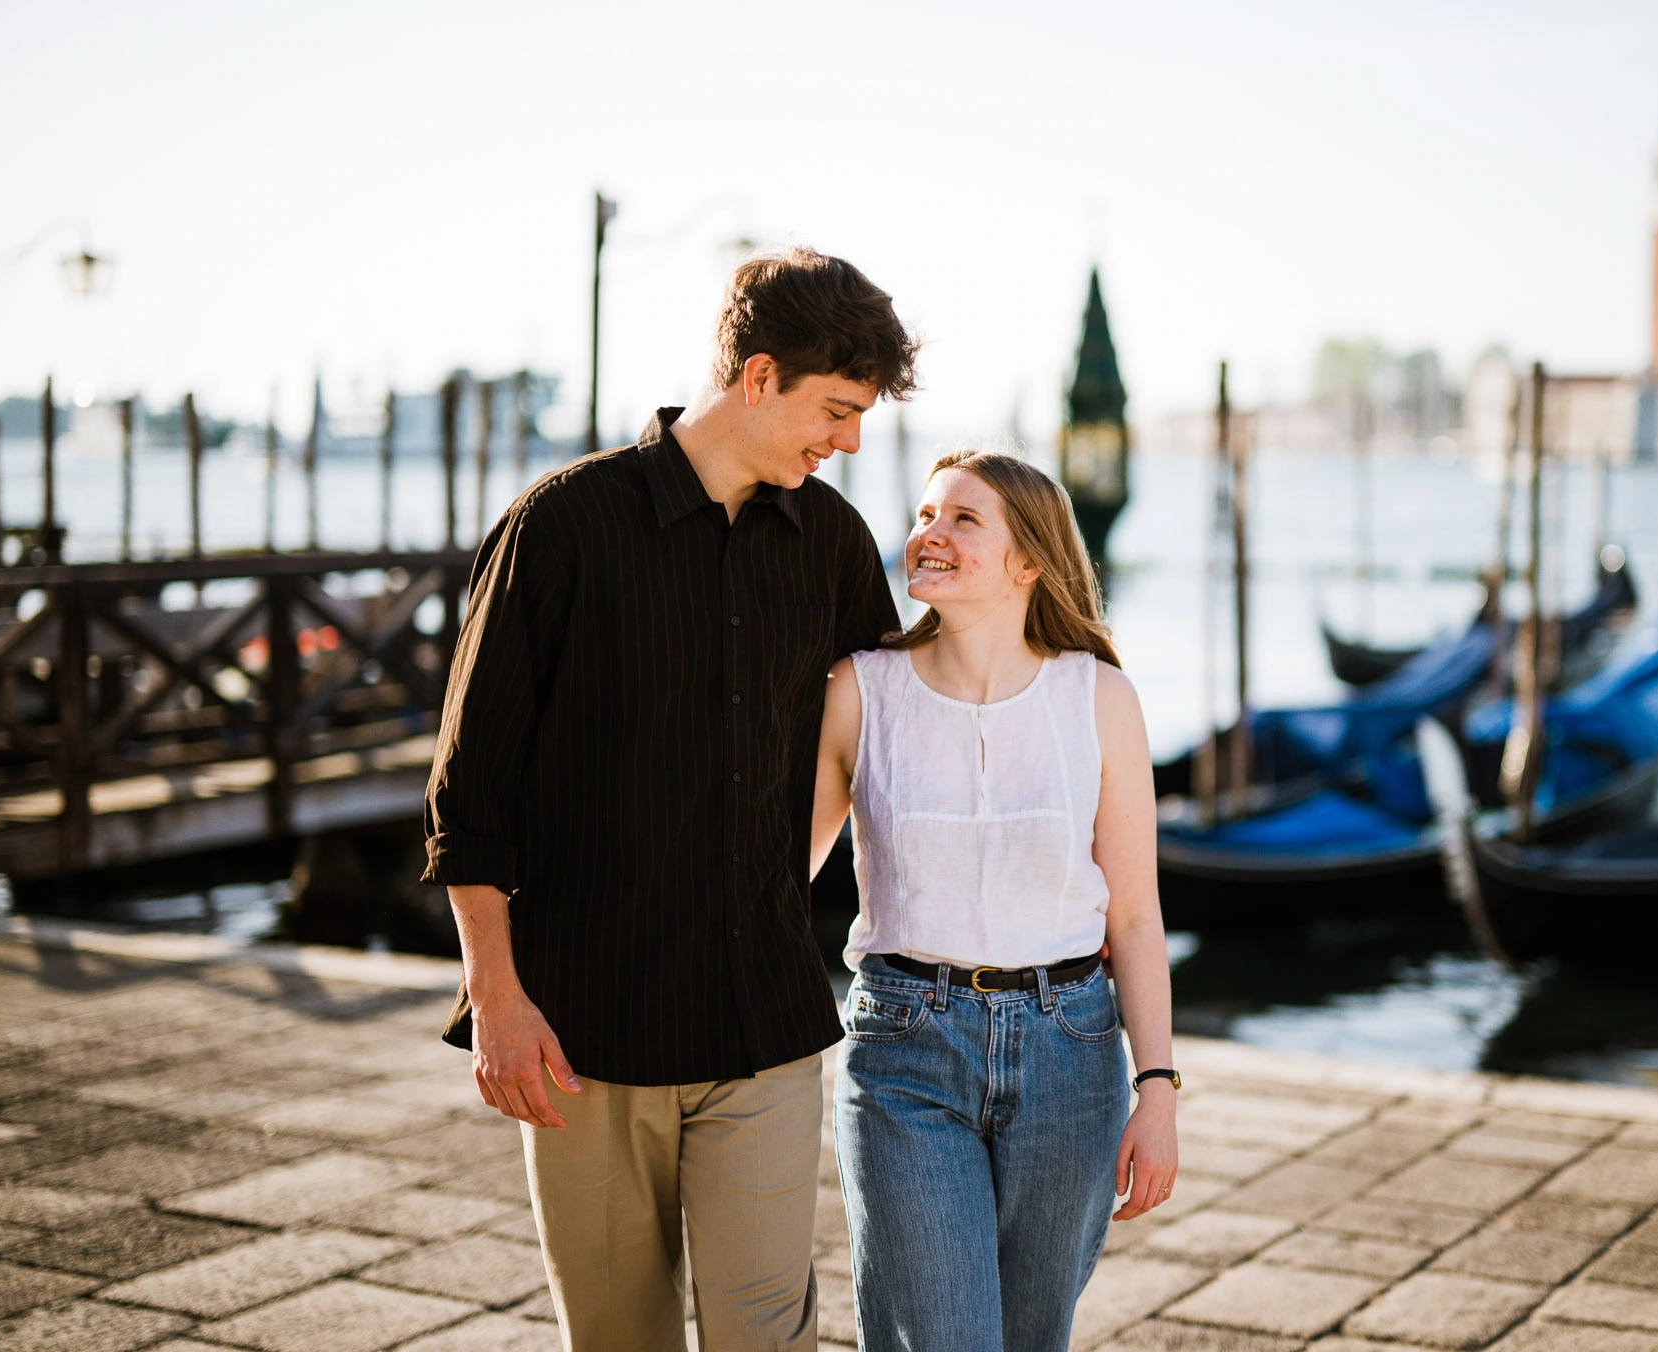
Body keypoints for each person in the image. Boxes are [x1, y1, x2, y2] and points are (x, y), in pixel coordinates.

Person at [422, 247, 917, 1352]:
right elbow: (470, 785)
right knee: (617, 1338)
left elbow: (885, 735)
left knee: (764, 1338)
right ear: (757, 376)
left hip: (765, 1027)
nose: (845, 442)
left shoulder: (832, 542)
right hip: (582, 1034)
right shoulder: (558, 527)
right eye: (834, 410)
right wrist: (496, 998)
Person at [809, 449, 1179, 1352]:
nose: (927, 533)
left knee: (1030, 1338)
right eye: (926, 513)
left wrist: (1158, 1090)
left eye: (962, 519)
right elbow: (774, 881)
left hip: (1071, 1057)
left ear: (1029, 563)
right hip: (903, 1050)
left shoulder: (1100, 698)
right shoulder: (861, 690)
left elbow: (1132, 915)